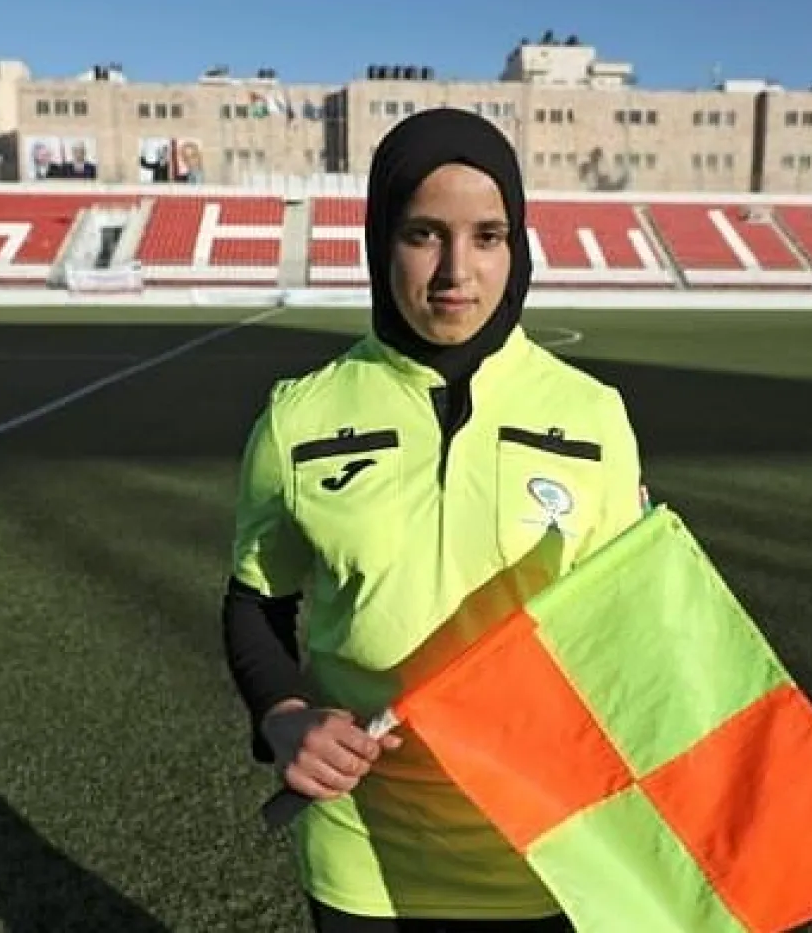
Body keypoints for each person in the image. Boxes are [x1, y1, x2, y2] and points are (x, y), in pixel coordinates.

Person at [221, 107, 646, 932]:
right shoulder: (297, 419)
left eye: (488, 235)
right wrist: (282, 716)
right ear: (382, 241)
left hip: (543, 851)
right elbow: (254, 602)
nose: (457, 270)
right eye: (424, 233)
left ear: (516, 247)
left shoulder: (594, 417)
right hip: (362, 858)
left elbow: (630, 629)